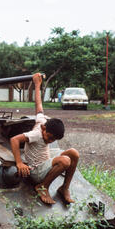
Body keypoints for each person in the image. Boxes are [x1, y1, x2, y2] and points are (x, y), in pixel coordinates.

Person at [10, 73, 79, 205]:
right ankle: (42, 187)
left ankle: (64, 188)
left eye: (54, 139)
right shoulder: (36, 134)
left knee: (73, 153)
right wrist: (19, 163)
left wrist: (37, 85)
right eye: (50, 137)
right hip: (36, 170)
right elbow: (14, 140)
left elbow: (39, 106)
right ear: (43, 129)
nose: (50, 141)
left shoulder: (43, 122)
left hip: (44, 160)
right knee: (65, 161)